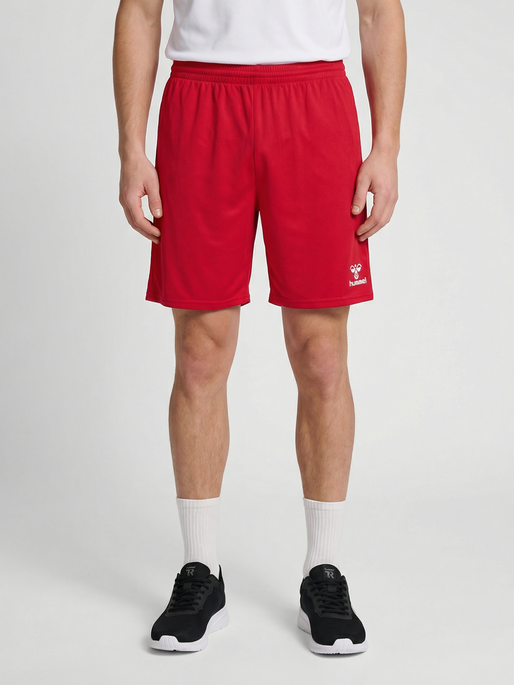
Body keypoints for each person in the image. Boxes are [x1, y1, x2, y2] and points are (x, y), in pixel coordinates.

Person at [113, 0, 406, 655]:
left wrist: (386, 146)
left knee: (322, 353)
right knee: (199, 351)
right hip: (201, 98)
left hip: (313, 99)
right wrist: (132, 149)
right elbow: (140, 11)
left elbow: (379, 13)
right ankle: (201, 569)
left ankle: (323, 570)